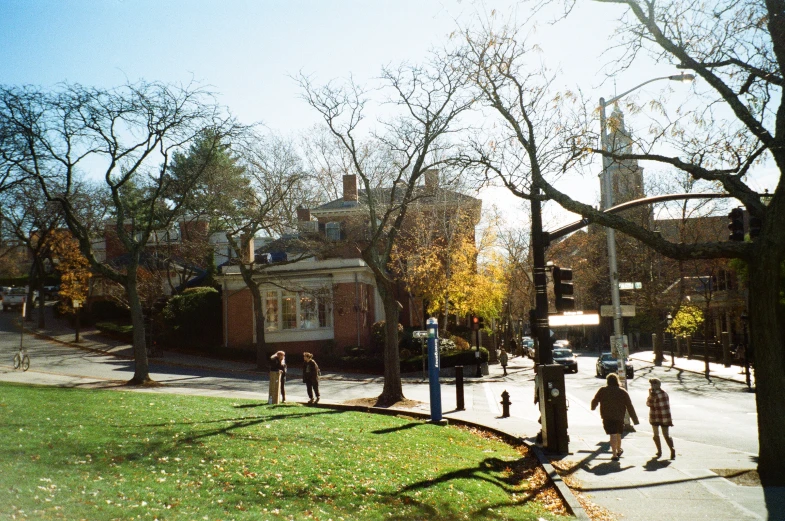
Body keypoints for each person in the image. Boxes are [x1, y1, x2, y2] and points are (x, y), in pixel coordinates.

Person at [591, 373, 639, 460]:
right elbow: (629, 406)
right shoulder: (622, 391)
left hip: (607, 416)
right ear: (617, 381)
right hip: (619, 417)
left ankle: (614, 454)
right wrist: (635, 420)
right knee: (618, 434)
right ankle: (618, 450)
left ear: (608, 381)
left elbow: (595, 400)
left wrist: (593, 407)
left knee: (612, 434)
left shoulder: (602, 390)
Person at [646, 378, 675, 459]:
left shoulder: (653, 394)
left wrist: (649, 394)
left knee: (656, 434)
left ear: (657, 385)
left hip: (655, 416)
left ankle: (659, 451)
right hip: (665, 416)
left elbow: (648, 404)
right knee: (666, 435)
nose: (652, 386)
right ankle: (672, 449)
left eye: (653, 384)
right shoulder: (664, 393)